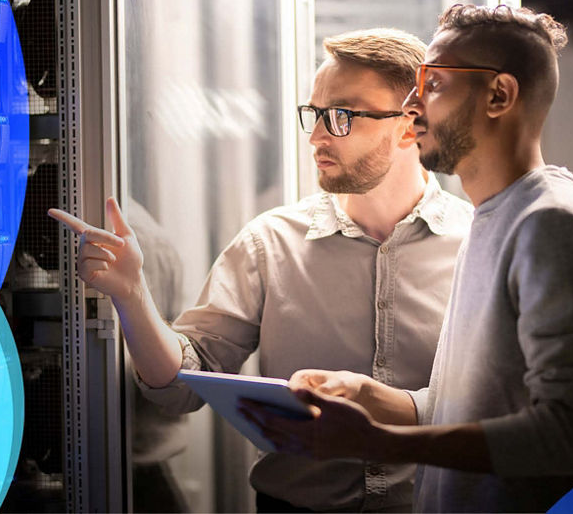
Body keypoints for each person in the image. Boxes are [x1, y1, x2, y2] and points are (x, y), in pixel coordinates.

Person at [50, 28, 472, 512]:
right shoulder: (269, 242)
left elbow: (510, 406)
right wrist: (131, 295)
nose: (315, 136)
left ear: (409, 124)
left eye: (340, 116)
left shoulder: (478, 244)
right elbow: (181, 385)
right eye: (313, 115)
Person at [243, 4, 573, 513]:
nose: (412, 105)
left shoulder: (551, 225)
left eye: (432, 84)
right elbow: (484, 406)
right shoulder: (494, 219)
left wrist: (375, 444)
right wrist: (376, 399)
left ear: (499, 95)